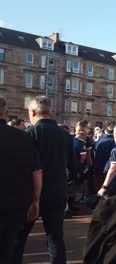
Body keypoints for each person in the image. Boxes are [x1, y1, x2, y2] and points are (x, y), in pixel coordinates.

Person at [13, 95, 74, 264]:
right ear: (50, 111)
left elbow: (25, 167)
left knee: (19, 238)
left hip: (32, 194)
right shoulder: (66, 136)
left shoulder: (30, 133)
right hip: (58, 191)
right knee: (55, 238)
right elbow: (74, 167)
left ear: (33, 112)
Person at [0, 97, 42, 264]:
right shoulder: (24, 138)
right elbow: (37, 172)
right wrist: (36, 200)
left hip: (14, 203)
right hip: (15, 203)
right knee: (9, 249)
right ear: (6, 113)